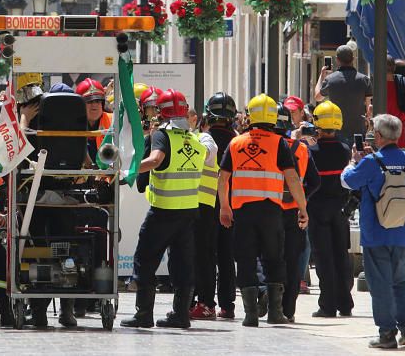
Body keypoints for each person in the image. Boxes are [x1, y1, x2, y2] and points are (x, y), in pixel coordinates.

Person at [121, 90, 216, 329]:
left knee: (145, 260)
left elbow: (155, 160)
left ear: (162, 112)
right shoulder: (195, 140)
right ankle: (181, 315)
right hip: (188, 213)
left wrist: (127, 172)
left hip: (163, 212)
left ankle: (143, 315)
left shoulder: (163, 135)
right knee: (183, 264)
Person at [218, 94, 308, 327]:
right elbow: (293, 178)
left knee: (246, 259)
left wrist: (225, 207)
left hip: (243, 211)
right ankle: (275, 313)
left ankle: (250, 315)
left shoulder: (236, 143)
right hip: (271, 211)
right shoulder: (278, 143)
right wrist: (302, 207)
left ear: (249, 116)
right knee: (273, 259)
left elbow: (223, 178)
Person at [342, 113, 405, 349]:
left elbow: (347, 181)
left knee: (380, 284)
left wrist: (352, 162)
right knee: (400, 280)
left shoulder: (371, 162)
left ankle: (386, 333)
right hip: (402, 230)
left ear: (380, 135)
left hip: (375, 233)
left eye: (374, 131)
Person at [306, 101, 355, 318]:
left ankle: (327, 305)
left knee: (323, 258)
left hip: (317, 209)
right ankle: (345, 303)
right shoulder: (345, 149)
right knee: (340, 256)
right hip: (340, 209)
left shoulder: (311, 151)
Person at [192, 92, 239, 319]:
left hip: (207, 204)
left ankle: (205, 302)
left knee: (206, 255)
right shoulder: (239, 141)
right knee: (226, 255)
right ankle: (227, 306)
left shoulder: (202, 139)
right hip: (231, 206)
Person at [277, 103, 320, 323]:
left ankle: (270, 301)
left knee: (269, 258)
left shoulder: (263, 145)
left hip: (268, 211)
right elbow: (314, 181)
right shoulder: (300, 149)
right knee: (293, 261)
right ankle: (288, 310)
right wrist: (301, 199)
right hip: (294, 211)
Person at [313, 45, 372, 146]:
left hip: (337, 131)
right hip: (358, 131)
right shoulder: (364, 80)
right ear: (353, 59)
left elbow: (318, 97)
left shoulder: (330, 79)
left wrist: (322, 75)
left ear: (337, 60)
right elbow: (369, 108)